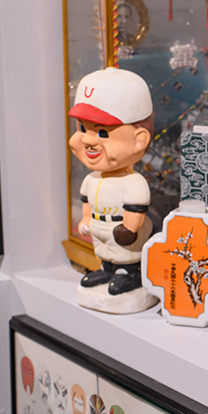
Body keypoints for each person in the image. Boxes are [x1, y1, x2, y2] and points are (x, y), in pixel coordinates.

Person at [68, 67, 155, 303]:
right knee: (104, 252)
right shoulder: (91, 179)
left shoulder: (133, 182)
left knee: (125, 254)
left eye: (102, 133)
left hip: (120, 229)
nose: (88, 140)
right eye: (82, 128)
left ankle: (130, 273)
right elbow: (86, 202)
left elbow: (135, 211)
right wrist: (87, 220)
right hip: (99, 226)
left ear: (139, 140)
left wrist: (129, 229)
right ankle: (106, 270)